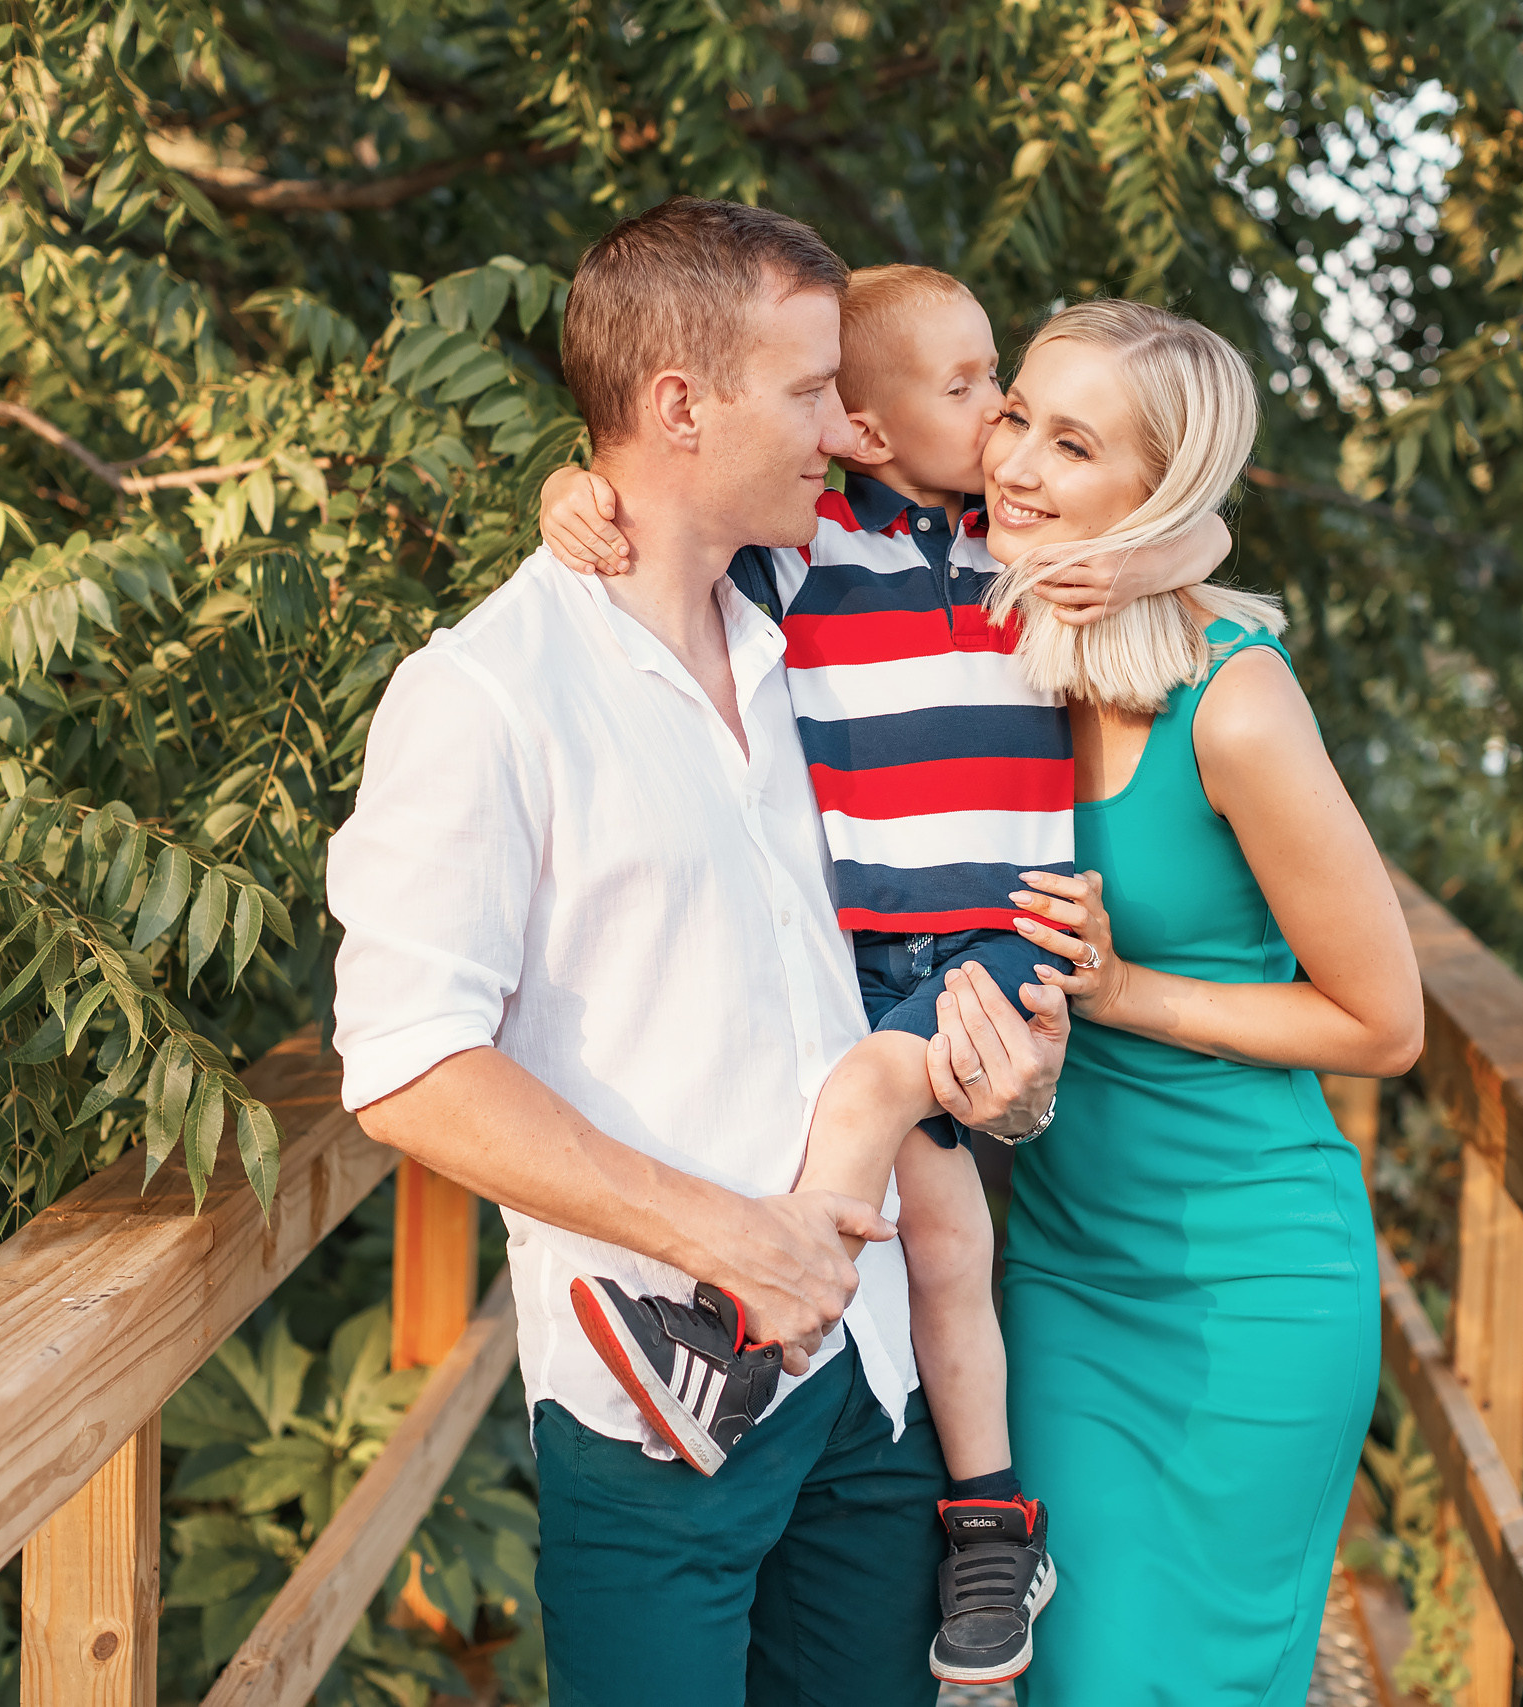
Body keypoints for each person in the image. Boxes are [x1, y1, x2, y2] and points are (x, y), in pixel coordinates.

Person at [325, 200, 1067, 1707]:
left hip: (872, 1379)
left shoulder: (819, 647)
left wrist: (1011, 1091)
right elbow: (405, 1070)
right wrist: (718, 1236)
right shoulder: (483, 697)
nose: (837, 426)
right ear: (678, 406)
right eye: (805, 394)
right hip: (662, 1423)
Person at [539, 263, 1227, 1685]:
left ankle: (731, 1340)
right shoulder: (808, 547)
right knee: (943, 1236)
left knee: (873, 1116)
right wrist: (569, 497)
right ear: (857, 420)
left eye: (1008, 389)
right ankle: (986, 1515)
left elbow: (1197, 513)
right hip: (865, 944)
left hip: (1004, 938)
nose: (1002, 424)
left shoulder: (1022, 555)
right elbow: (675, 510)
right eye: (972, 390)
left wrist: (1160, 557)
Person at [981, 300, 1425, 1705]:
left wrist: (1123, 993)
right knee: (1074, 1680)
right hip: (1060, 1275)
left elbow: (1383, 1025)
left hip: (1251, 1290)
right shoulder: (990, 653)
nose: (1016, 464)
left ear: (1159, 492)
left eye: (1072, 442)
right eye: (1015, 418)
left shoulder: (1234, 709)